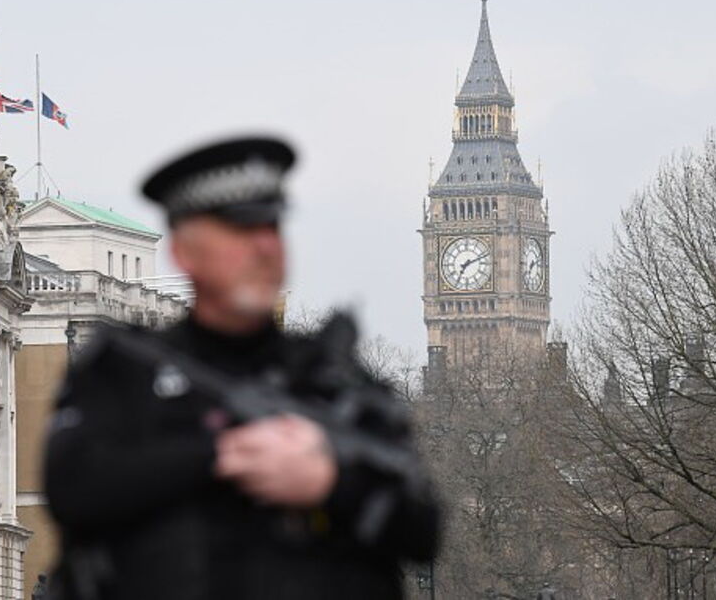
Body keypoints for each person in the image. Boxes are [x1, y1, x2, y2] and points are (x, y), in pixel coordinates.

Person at [44, 136, 440, 600]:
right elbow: (72, 488)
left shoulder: (336, 382)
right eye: (239, 230)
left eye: (272, 227)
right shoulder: (123, 370)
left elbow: (422, 526)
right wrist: (222, 455)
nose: (264, 246)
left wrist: (327, 482)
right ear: (185, 252)